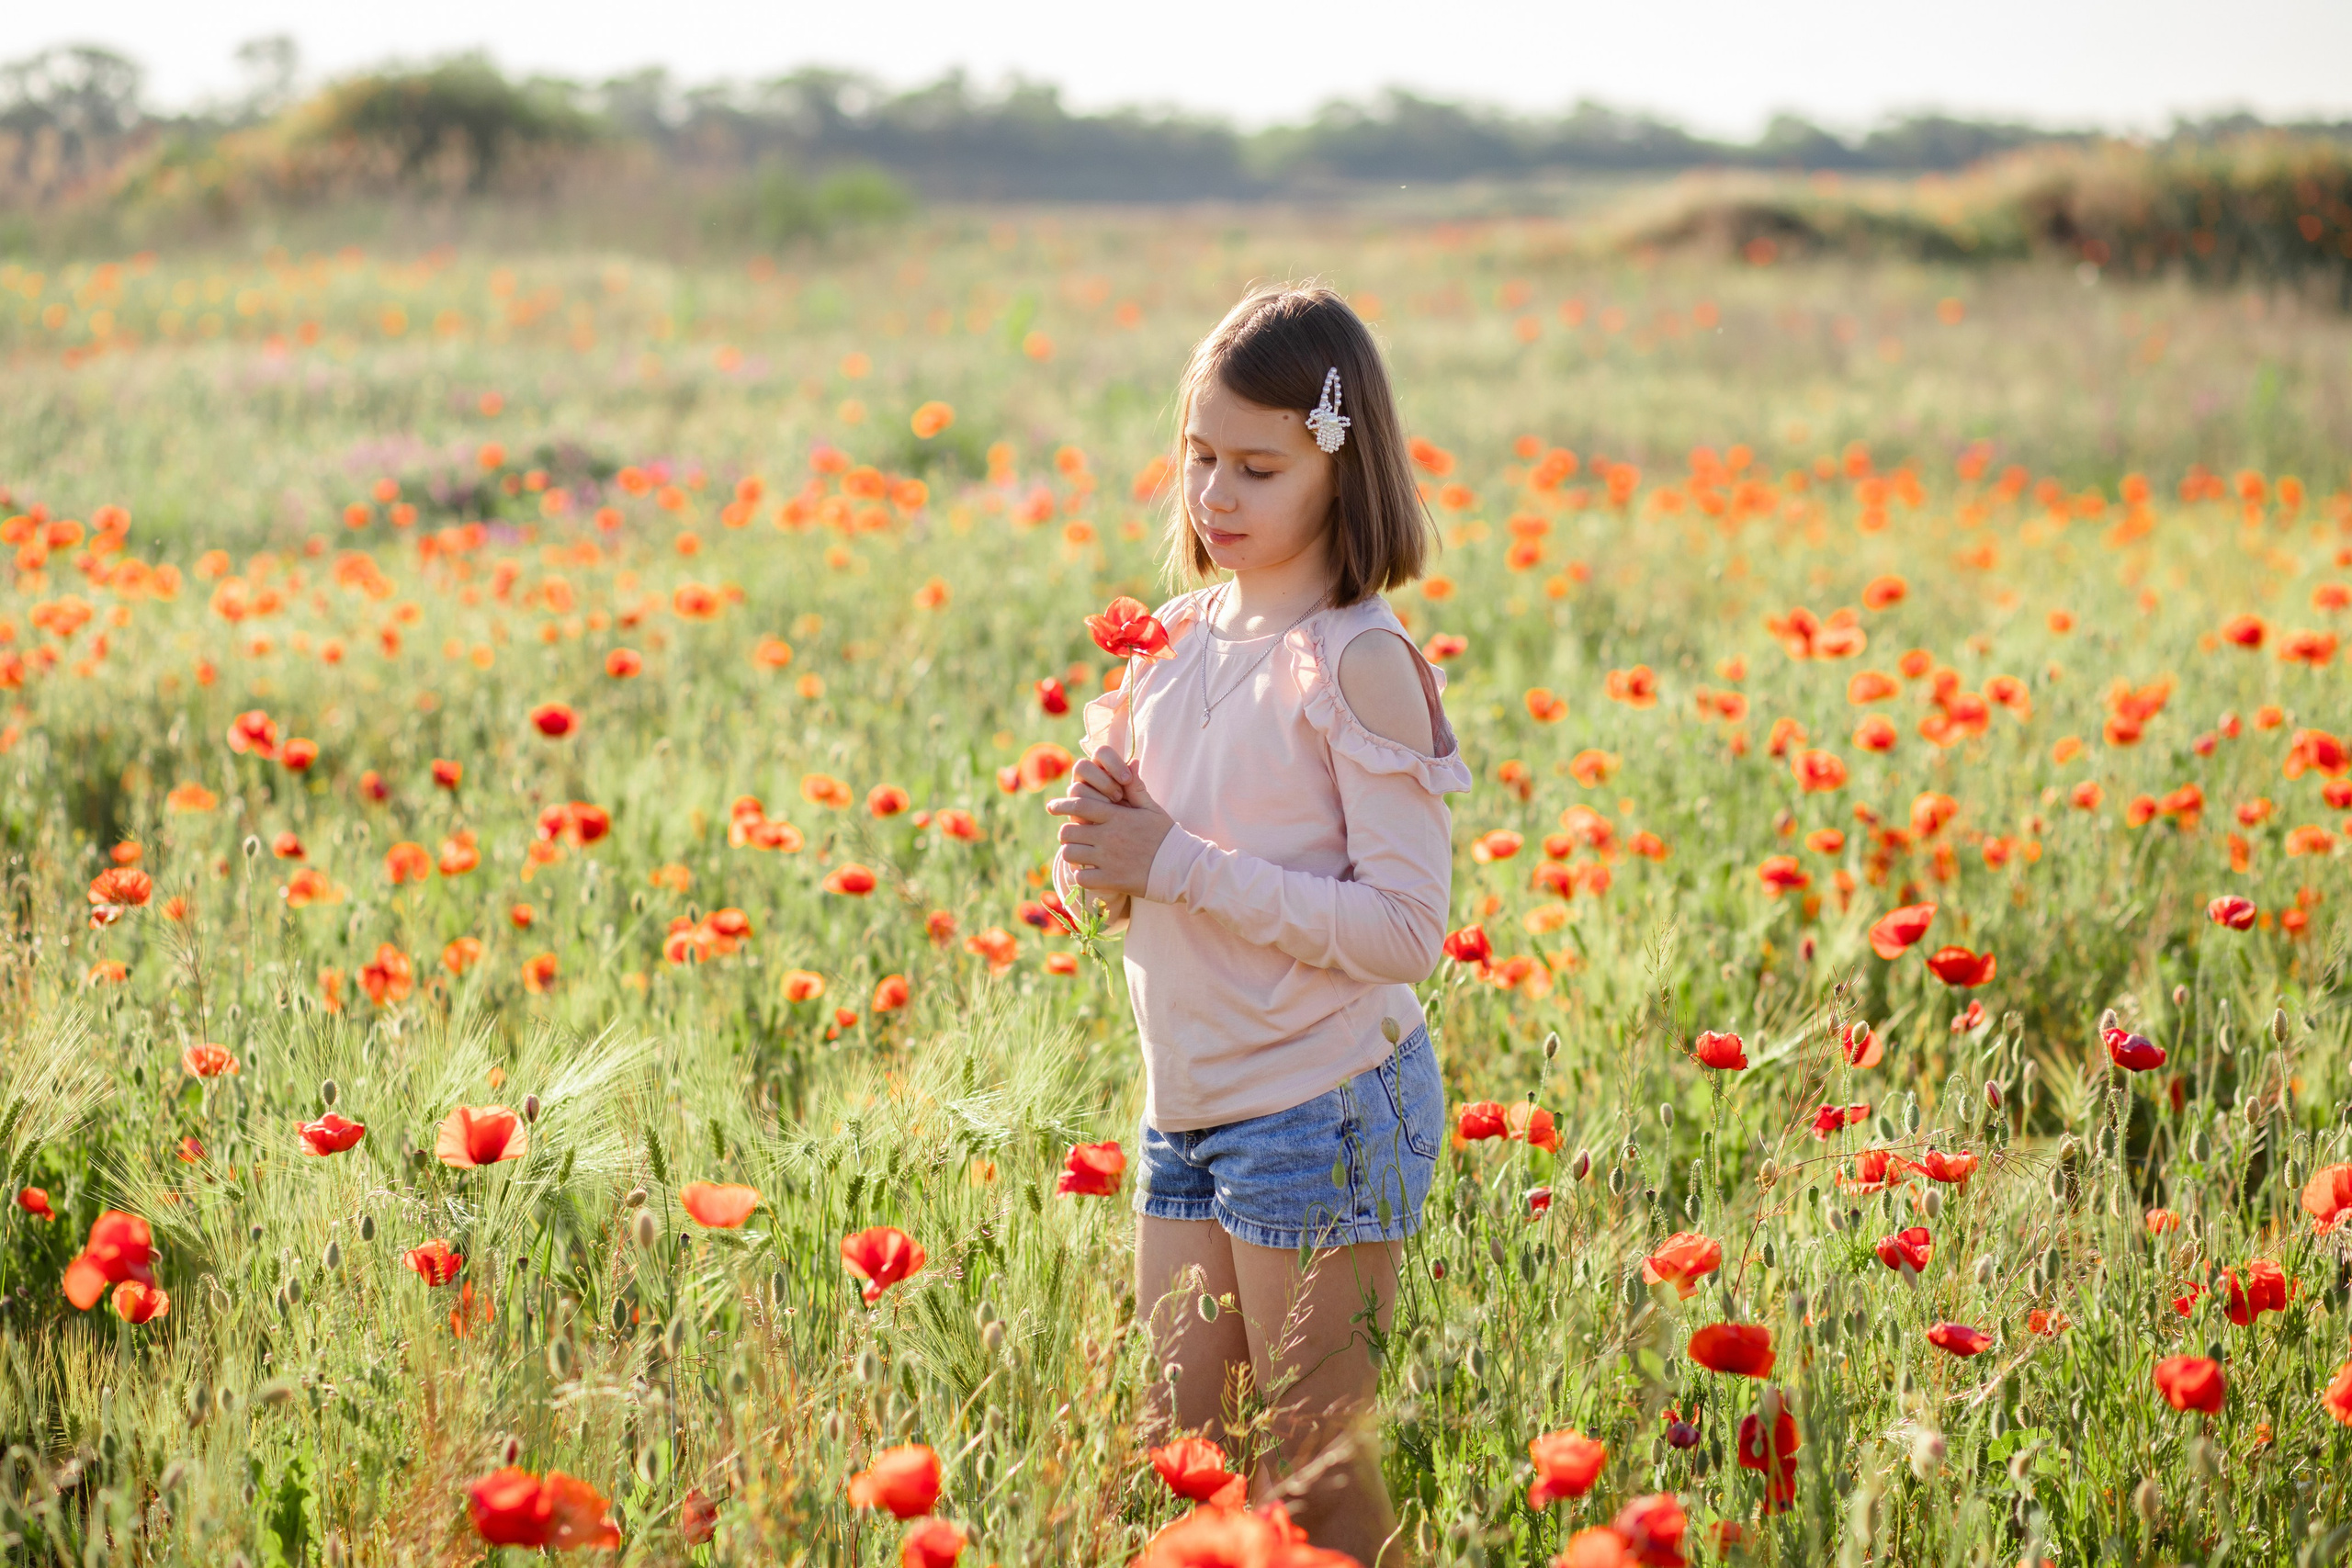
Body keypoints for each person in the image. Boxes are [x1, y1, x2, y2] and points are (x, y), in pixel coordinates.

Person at [1046, 283, 1471, 1565]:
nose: (1215, 495)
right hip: (1186, 1108)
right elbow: (1110, 896)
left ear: (1342, 472)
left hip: (1322, 1103)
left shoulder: (1357, 661)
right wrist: (1097, 852)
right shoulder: (1167, 642)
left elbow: (1406, 930)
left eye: (1258, 466)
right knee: (1196, 1477)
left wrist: (1175, 860)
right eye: (1199, 458)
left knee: (1317, 1483)